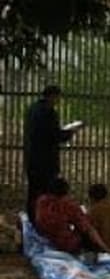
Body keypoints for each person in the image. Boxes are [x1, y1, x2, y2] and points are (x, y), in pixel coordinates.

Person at [24, 86, 79, 219]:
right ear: (53, 96)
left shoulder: (32, 109)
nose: (58, 100)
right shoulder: (49, 112)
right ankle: (44, 219)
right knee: (47, 192)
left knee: (33, 191)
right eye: (58, 97)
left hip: (32, 158)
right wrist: (70, 132)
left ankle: (33, 217)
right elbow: (54, 135)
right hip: (46, 160)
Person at [35, 178, 109, 255]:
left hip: (44, 240)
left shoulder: (41, 201)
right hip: (64, 243)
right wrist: (104, 247)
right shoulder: (68, 204)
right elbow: (86, 228)